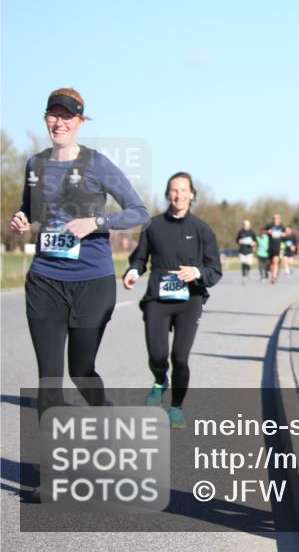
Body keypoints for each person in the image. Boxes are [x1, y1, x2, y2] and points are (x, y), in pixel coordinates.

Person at [9, 88, 148, 499]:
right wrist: (22, 219)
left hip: (92, 282)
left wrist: (96, 221)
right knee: (49, 379)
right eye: (53, 115)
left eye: (67, 116)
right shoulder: (34, 164)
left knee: (81, 371)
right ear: (46, 119)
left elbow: (138, 211)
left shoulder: (96, 164)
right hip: (45, 281)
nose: (59, 122)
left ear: (81, 122)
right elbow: (33, 211)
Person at [123, 172, 222, 429]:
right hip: (158, 297)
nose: (178, 195)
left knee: (180, 357)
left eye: (183, 190)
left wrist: (197, 272)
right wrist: (133, 271)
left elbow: (215, 269)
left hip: (190, 300)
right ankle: (159, 379)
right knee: (158, 355)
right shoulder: (152, 225)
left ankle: (176, 408)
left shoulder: (202, 230)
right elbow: (139, 258)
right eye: (173, 190)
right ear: (168, 194)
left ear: (192, 194)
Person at [264, 214, 289, 283]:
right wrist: (267, 232)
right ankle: (271, 272)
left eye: (277, 218)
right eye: (274, 218)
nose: (276, 219)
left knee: (276, 261)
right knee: (270, 262)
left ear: (280, 219)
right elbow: (263, 231)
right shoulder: (269, 225)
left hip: (279, 246)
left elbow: (286, 234)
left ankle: (273, 277)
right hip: (270, 246)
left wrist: (283, 234)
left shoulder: (282, 226)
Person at [235, 219, 256, 284]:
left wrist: (253, 244)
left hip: (249, 251)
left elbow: (255, 241)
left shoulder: (252, 232)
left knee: (248, 264)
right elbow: (236, 240)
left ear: (249, 225)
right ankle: (244, 276)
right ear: (243, 225)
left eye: (247, 225)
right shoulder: (240, 232)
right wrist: (239, 241)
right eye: (244, 225)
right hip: (242, 251)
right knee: (243, 263)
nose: (246, 226)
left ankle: (248, 271)